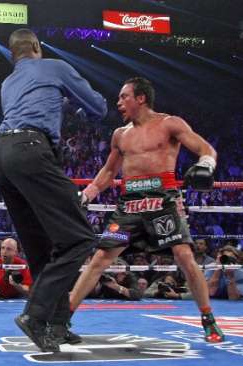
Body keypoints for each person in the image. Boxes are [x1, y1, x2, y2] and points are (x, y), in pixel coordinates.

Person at [71, 76, 225, 343]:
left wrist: (207, 164)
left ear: (140, 98)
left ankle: (208, 319)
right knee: (100, 259)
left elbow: (205, 148)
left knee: (184, 256)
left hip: (162, 200)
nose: (118, 102)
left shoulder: (169, 123)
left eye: (124, 97)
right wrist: (87, 194)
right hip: (129, 204)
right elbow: (109, 171)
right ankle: (62, 318)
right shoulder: (120, 134)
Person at [0, 28, 107, 352]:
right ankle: (36, 316)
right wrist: (79, 101)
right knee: (80, 237)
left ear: (13, 54)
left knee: (41, 248)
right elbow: (98, 106)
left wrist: (60, 102)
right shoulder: (54, 66)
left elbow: (33, 107)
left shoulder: (7, 82)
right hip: (30, 150)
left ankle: (58, 323)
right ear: (37, 47)